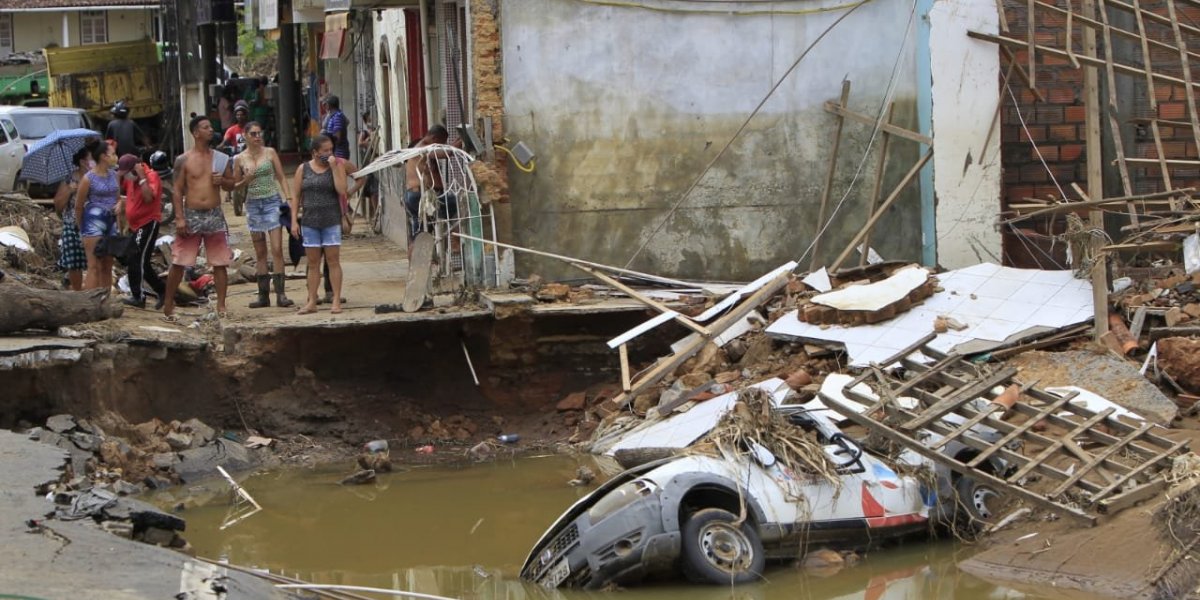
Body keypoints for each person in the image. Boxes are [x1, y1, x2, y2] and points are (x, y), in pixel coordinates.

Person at [163, 115, 236, 321]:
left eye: (211, 127)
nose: (211, 130)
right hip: (192, 214)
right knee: (179, 262)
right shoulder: (183, 160)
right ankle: (168, 303)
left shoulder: (221, 159)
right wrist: (179, 217)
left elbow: (232, 184)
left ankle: (221, 305)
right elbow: (177, 191)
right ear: (196, 133)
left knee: (220, 262)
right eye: (206, 127)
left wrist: (223, 181)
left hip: (214, 213)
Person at [233, 121, 294, 308]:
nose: (257, 137)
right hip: (253, 204)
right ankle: (263, 295)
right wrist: (246, 179)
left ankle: (281, 294)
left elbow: (281, 176)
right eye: (253, 134)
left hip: (272, 201)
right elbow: (234, 187)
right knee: (260, 252)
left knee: (277, 248)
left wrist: (289, 198)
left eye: (259, 133)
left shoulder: (270, 153)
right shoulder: (239, 159)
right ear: (245, 136)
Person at [291, 134, 348, 315]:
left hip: (331, 220)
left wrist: (333, 166)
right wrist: (294, 220)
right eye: (325, 151)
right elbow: (296, 196)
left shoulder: (337, 166)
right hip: (309, 221)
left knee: (333, 261)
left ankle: (336, 300)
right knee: (313, 263)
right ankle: (312, 301)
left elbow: (342, 189)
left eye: (331, 150)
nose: (329, 153)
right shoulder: (303, 169)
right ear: (315, 152)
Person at [117, 154, 166, 309]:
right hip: (135, 225)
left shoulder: (151, 177)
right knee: (142, 262)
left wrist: (142, 177)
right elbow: (122, 190)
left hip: (147, 223)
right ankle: (162, 290)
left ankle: (138, 296)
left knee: (135, 259)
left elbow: (148, 198)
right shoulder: (131, 180)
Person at [74, 139, 121, 291]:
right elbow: (79, 206)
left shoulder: (114, 175)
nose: (115, 157)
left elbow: (118, 197)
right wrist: (82, 228)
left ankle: (105, 301)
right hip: (93, 222)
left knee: (107, 265)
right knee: (93, 266)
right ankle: (88, 303)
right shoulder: (88, 178)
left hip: (111, 221)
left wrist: (120, 205)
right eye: (113, 154)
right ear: (103, 156)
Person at [403, 125, 454, 253]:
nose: (440, 146)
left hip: (413, 195)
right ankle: (455, 240)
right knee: (455, 203)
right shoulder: (423, 147)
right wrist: (463, 141)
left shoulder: (420, 147)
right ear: (434, 138)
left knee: (419, 234)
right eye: (440, 143)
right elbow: (446, 153)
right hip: (419, 196)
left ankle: (417, 264)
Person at [53, 143, 95, 291]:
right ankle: (77, 292)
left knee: (93, 261)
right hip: (72, 224)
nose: (93, 161)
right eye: (91, 158)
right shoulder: (69, 179)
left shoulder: (95, 178)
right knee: (74, 262)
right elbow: (58, 205)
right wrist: (70, 191)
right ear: (83, 161)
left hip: (92, 224)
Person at [356, 113, 380, 223]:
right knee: (371, 190)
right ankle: (373, 214)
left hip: (376, 162)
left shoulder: (377, 131)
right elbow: (360, 143)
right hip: (369, 163)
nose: (371, 121)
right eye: (369, 119)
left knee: (374, 189)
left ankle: (375, 214)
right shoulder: (365, 132)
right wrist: (368, 141)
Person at [321, 95, 350, 160]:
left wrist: (327, 137)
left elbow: (337, 138)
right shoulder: (333, 116)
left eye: (326, 104)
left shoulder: (337, 116)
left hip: (339, 153)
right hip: (335, 152)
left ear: (328, 105)